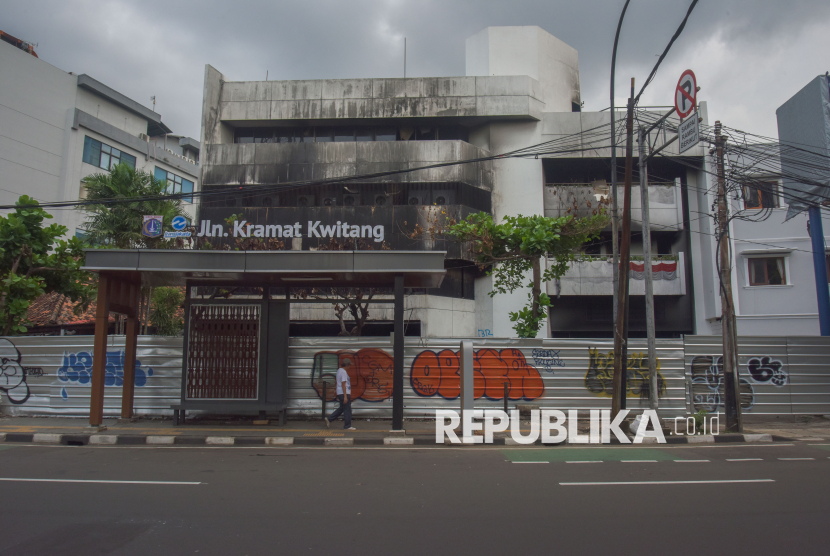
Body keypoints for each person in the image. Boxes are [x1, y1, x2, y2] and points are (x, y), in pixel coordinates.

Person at [325, 358, 356, 430]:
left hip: (340, 392)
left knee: (342, 408)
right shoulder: (343, 372)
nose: (350, 367)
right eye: (349, 365)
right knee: (347, 410)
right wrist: (345, 396)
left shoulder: (339, 370)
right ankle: (347, 426)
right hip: (344, 393)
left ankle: (329, 419)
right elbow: (343, 384)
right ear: (347, 365)